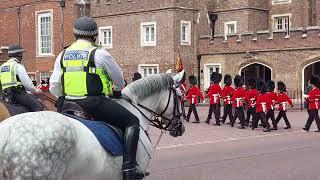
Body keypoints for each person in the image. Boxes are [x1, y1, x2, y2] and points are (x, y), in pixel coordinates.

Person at [49, 16, 144, 180]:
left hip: (67, 104)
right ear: (95, 35)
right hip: (93, 103)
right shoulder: (99, 53)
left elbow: (54, 85)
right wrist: (117, 90)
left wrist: (61, 97)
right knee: (132, 122)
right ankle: (129, 169)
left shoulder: (62, 55)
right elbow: (119, 79)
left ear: (75, 35)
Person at [0, 44, 43, 111]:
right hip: (18, 94)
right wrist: (36, 91)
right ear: (19, 54)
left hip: (5, 96)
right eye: (21, 53)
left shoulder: (2, 67)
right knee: (38, 106)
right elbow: (27, 83)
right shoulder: (18, 66)